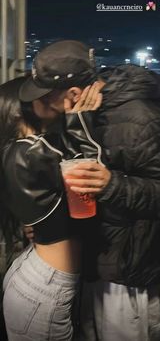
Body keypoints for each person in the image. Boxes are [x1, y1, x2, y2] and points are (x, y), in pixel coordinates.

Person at [19, 40, 160, 340]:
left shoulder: (140, 120)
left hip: (125, 278)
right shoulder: (81, 117)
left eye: (49, 99)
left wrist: (112, 184)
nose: (46, 108)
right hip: (91, 262)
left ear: (74, 93)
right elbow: (74, 183)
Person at [0, 45, 109, 341]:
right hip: (44, 285)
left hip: (39, 274)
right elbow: (86, 181)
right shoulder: (28, 153)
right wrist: (79, 122)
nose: (41, 105)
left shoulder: (26, 152)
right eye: (37, 102)